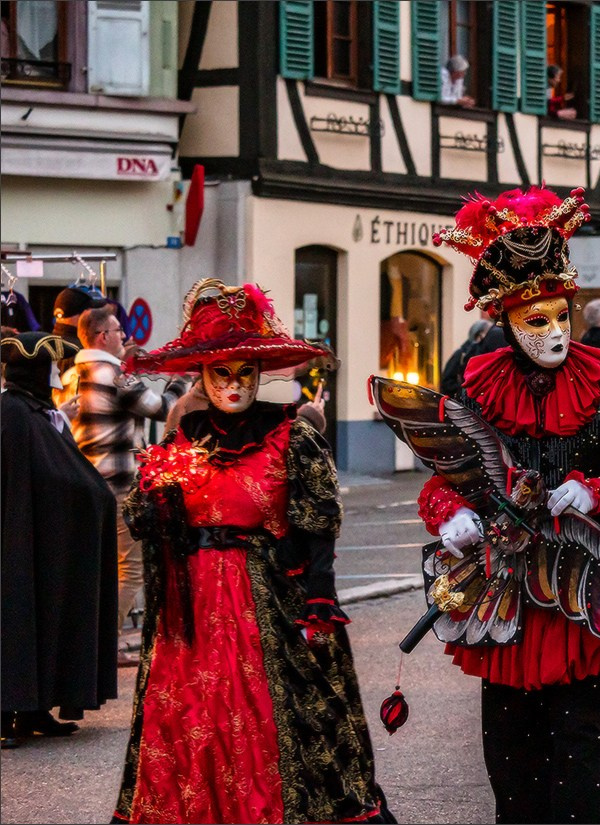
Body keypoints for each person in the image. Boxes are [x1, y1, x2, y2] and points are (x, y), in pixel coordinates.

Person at [110, 279, 393, 824]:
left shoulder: (293, 438)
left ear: (261, 374)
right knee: (194, 713)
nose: (235, 385)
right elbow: (143, 520)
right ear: (203, 375)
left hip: (269, 595)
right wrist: (157, 493)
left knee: (272, 713)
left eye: (246, 372)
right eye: (222, 372)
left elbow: (318, 526)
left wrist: (319, 600)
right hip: (192, 609)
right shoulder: (182, 440)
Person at [426, 185, 600, 823]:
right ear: (507, 319)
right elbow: (447, 474)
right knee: (510, 751)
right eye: (538, 320)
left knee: (581, 751)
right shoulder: (477, 385)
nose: (556, 331)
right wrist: (451, 516)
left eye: (563, 315)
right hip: (506, 595)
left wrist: (595, 491)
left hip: (583, 596)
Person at [1, 331, 117, 748]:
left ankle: (35, 709)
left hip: (46, 538)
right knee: (16, 625)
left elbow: (64, 469)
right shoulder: (12, 412)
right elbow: (25, 476)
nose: (56, 373)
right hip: (17, 540)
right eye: (49, 365)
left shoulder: (38, 412)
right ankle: (6, 714)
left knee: (46, 622)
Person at [72, 305, 188, 666]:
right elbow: (165, 408)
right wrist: (181, 377)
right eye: (118, 330)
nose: (125, 335)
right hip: (120, 486)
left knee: (101, 570)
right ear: (102, 337)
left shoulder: (74, 372)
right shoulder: (113, 375)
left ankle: (98, 642)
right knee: (131, 569)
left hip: (88, 484)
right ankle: (104, 644)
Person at [51, 282, 108, 408]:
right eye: (89, 312)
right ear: (80, 316)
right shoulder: (80, 351)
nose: (93, 317)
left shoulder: (46, 344)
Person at [440, 318, 492, 396]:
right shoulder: (461, 354)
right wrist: (465, 391)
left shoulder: (484, 353)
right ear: (480, 335)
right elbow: (446, 383)